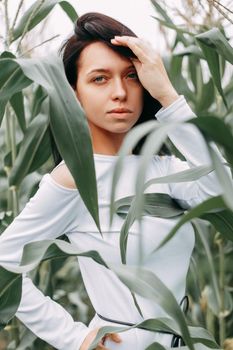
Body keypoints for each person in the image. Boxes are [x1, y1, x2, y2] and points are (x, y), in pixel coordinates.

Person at [0, 12, 231, 350]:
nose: (121, 92)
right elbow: (4, 262)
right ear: (73, 94)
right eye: (100, 79)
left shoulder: (165, 168)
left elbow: (224, 192)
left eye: (132, 76)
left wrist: (168, 95)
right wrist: (74, 338)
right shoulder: (77, 178)